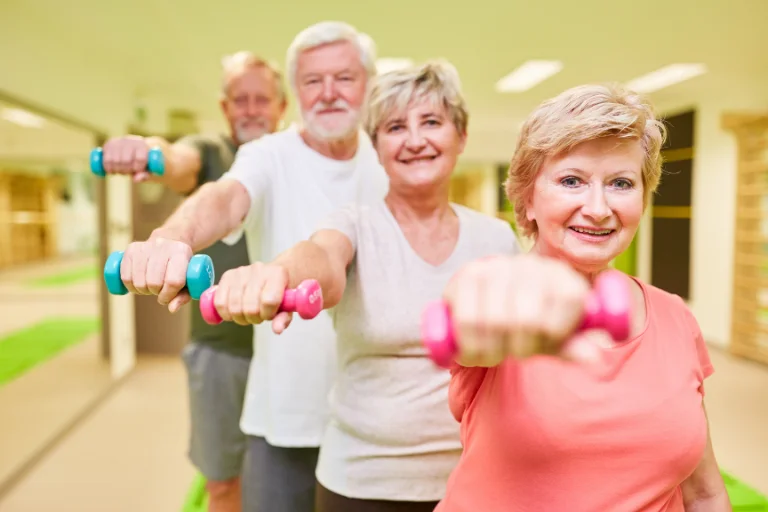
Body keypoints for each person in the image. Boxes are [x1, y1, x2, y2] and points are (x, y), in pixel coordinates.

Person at [211, 60, 522, 511]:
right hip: (360, 484)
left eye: (431, 122)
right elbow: (319, 258)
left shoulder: (496, 240)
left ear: (461, 134)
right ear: (376, 147)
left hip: (473, 482)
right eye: (395, 127)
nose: (414, 140)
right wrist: (277, 273)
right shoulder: (353, 225)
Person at [115, 21, 388, 512]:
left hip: (373, 417)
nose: (328, 92)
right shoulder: (267, 155)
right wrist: (172, 238)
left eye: (344, 78)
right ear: (297, 92)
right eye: (313, 80)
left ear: (368, 83)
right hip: (283, 417)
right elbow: (223, 197)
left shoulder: (390, 157)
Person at [435, 84, 731, 512]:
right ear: (528, 199)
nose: (597, 208)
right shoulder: (500, 298)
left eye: (621, 183)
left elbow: (703, 492)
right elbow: (469, 318)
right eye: (571, 181)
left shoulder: (674, 316)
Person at [99, 53, 287, 512]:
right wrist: (145, 151)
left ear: (282, 106)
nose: (250, 109)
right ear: (224, 108)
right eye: (240, 100)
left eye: (261, 99)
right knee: (223, 484)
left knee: (286, 484)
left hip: (290, 351)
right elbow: (176, 159)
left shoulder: (294, 160)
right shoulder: (211, 152)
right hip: (221, 353)